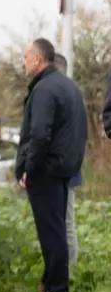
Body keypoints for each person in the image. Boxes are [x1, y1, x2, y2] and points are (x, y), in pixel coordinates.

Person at [15, 38, 86, 292]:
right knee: (56, 230)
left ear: (37, 58)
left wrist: (29, 168)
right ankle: (50, 287)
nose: (23, 62)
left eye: (25, 57)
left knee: (51, 233)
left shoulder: (44, 89)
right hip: (63, 168)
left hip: (47, 170)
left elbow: (40, 134)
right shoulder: (67, 85)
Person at [53, 53, 82, 264]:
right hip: (67, 166)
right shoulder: (73, 93)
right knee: (63, 222)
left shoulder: (66, 95)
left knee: (66, 222)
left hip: (64, 168)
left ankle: (68, 269)